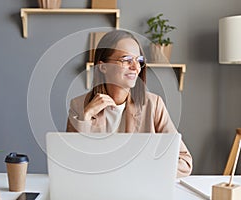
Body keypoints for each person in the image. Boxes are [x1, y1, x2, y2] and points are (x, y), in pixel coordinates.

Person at [66, 30, 192, 177]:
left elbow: (184, 162)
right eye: (126, 60)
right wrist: (85, 117)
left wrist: (141, 169)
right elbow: (70, 163)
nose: (135, 67)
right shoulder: (78, 105)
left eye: (138, 60)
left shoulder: (154, 104)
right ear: (103, 66)